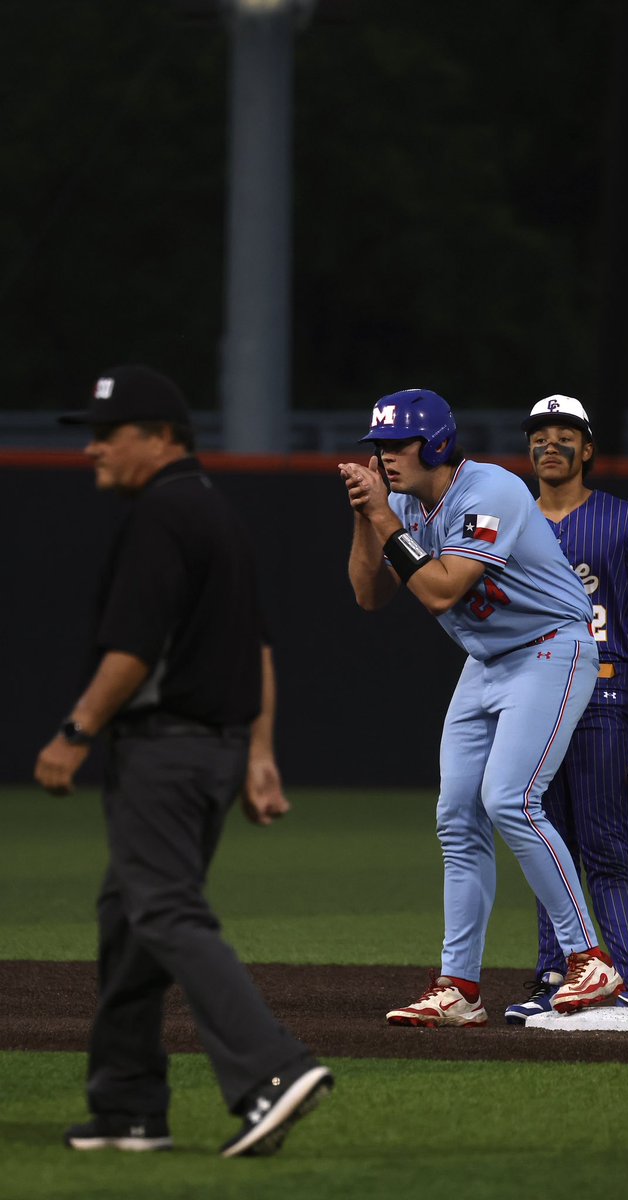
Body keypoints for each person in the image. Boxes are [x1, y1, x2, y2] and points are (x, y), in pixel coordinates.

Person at [34, 364, 333, 1157]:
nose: (92, 449)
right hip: (213, 750)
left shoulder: (162, 517)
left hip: (166, 751)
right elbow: (258, 646)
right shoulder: (214, 513)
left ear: (160, 437)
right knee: (129, 916)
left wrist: (74, 731)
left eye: (107, 434)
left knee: (163, 909)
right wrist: (259, 755)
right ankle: (128, 1105)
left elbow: (134, 649)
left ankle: (273, 1068)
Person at [338, 388, 623, 1027]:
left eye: (396, 444)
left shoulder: (487, 490)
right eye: (376, 447)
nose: (383, 457)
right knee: (457, 818)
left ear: (436, 443)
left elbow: (440, 593)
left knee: (511, 800)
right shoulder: (404, 504)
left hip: (552, 647)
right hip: (488, 661)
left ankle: (589, 959)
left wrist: (386, 519)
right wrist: (368, 515)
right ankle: (459, 988)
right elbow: (368, 595)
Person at [503, 394, 628, 1028]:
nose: (552, 443)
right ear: (529, 448)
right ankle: (558, 973)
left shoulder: (621, 519)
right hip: (532, 691)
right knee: (546, 837)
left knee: (602, 842)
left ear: (587, 449)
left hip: (603, 692)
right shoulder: (509, 519)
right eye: (540, 433)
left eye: (567, 434)